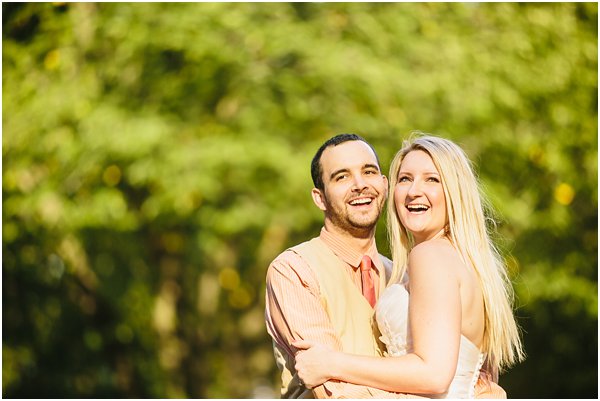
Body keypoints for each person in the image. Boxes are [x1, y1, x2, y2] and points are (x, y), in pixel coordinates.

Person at [265, 133, 508, 398]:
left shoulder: (414, 267)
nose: (359, 185)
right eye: (342, 177)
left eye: (368, 171)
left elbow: (464, 379)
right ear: (319, 197)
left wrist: (333, 363)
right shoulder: (294, 270)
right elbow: (335, 391)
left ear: (383, 185)